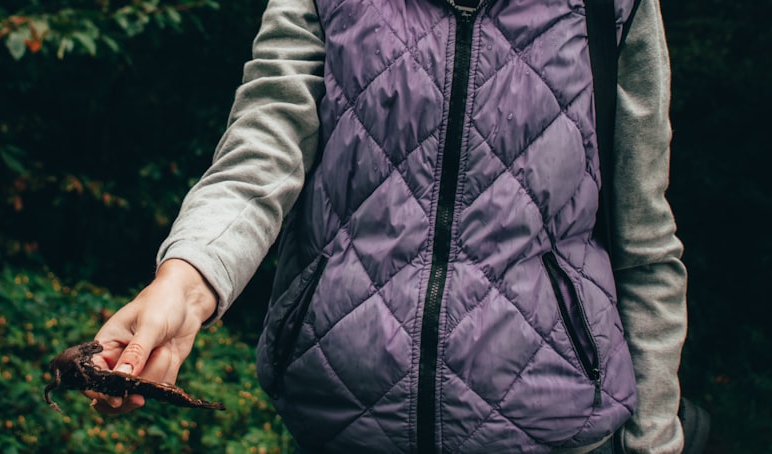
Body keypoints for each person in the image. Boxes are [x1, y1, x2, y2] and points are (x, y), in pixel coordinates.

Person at [85, 0, 688, 452]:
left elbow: (645, 248)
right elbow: (261, 154)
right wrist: (184, 286)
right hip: (340, 421)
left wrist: (655, 443)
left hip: (555, 431)